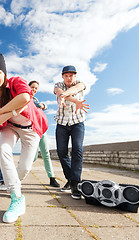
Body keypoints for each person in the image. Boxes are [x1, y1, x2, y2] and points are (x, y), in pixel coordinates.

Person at [0, 50, 48, 223]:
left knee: (25, 168)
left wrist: (1, 112)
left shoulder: (16, 81)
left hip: (30, 128)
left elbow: (25, 97)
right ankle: (17, 199)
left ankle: (13, 184)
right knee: (3, 151)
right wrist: (10, 112)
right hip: (9, 127)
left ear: (4, 74)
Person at [53, 65, 89, 200]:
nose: (69, 78)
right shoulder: (58, 85)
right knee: (61, 152)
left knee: (77, 150)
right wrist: (69, 97)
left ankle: (75, 183)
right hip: (61, 123)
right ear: (63, 76)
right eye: (66, 75)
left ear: (75, 76)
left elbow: (76, 89)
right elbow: (58, 91)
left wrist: (64, 95)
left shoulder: (80, 84)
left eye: (71, 75)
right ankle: (70, 178)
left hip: (77, 122)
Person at [28, 80, 60, 187]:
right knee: (33, 157)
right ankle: (18, 170)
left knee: (46, 154)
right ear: (28, 87)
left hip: (42, 130)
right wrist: (41, 105)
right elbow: (34, 105)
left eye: (36, 88)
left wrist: (44, 105)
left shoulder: (36, 99)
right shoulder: (25, 98)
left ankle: (52, 178)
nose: (34, 90)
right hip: (31, 131)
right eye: (32, 87)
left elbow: (42, 106)